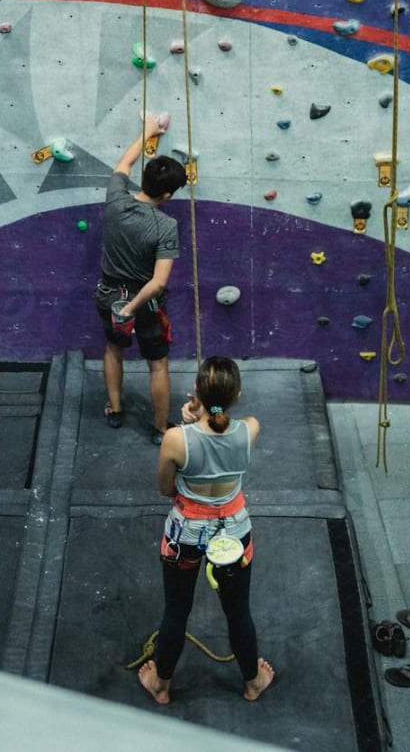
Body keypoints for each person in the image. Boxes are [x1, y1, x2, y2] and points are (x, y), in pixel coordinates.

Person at [138, 356, 274, 705]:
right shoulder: (251, 429)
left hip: (185, 536)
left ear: (196, 391)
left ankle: (162, 686)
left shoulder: (174, 440)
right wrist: (201, 414)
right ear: (238, 395)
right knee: (238, 611)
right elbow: (221, 429)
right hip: (233, 534)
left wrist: (190, 421)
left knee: (176, 612)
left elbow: (167, 490)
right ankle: (252, 683)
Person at [95, 117, 188, 443]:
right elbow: (158, 282)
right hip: (143, 302)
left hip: (109, 294)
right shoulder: (166, 226)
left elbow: (125, 162)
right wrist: (132, 308)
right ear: (166, 194)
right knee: (158, 365)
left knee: (113, 349)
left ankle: (116, 409)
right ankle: (161, 429)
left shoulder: (115, 198)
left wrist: (148, 131)